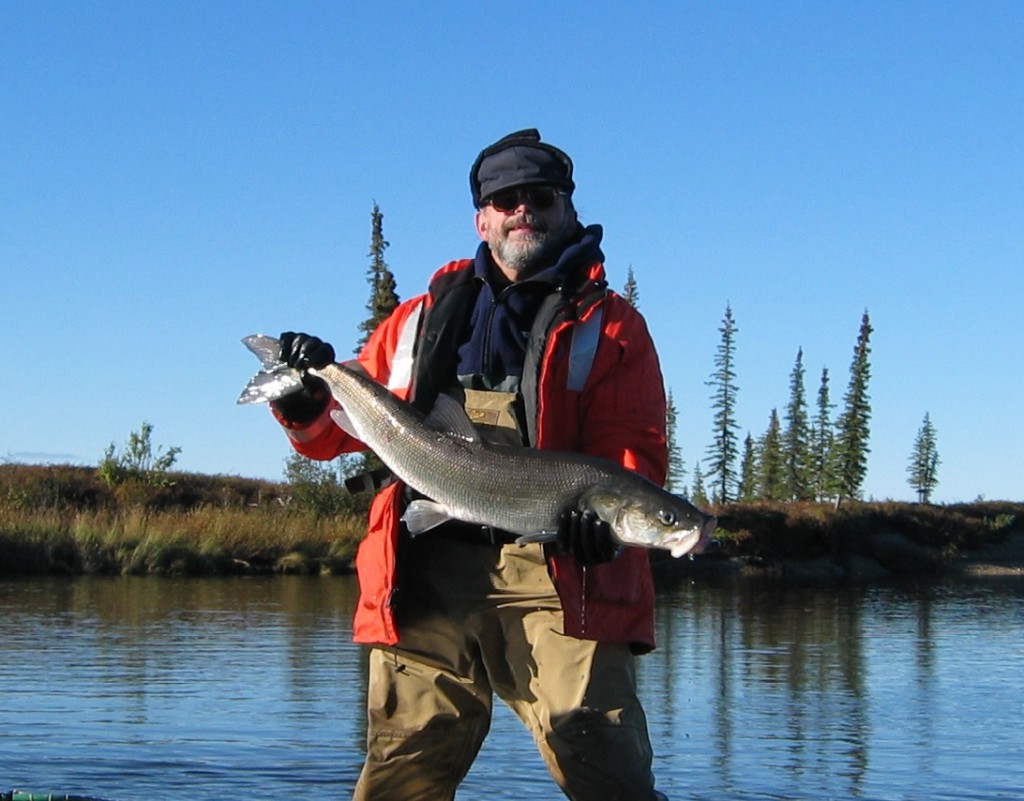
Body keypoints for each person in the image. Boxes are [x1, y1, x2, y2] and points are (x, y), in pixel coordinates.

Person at [270, 129, 671, 801]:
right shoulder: (418, 320)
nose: (523, 211)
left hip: (557, 569)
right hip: (425, 561)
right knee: (403, 774)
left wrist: (606, 525)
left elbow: (631, 449)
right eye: (505, 199)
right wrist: (308, 394)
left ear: (566, 208)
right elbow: (328, 439)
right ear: (482, 217)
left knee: (607, 767)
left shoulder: (613, 326)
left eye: (538, 197)